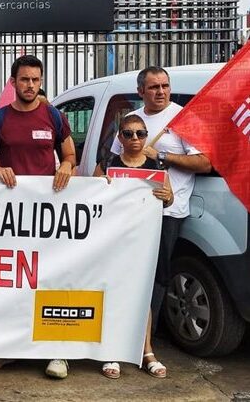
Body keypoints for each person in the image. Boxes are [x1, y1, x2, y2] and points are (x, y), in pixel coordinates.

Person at [108, 65, 212, 378]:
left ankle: (144, 344)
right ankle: (123, 343)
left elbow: (205, 162)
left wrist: (163, 157)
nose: (161, 91)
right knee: (124, 277)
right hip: (130, 217)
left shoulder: (183, 118)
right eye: (153, 87)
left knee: (156, 281)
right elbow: (114, 163)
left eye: (165, 85)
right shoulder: (132, 121)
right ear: (141, 91)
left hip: (168, 213)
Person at [0, 55, 76, 379]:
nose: (30, 85)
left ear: (41, 80)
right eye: (24, 80)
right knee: (12, 282)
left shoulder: (55, 116)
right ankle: (9, 352)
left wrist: (65, 165)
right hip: (10, 216)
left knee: (51, 279)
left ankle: (57, 352)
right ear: (13, 82)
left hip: (48, 216)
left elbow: (70, 153)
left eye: (35, 79)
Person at [95, 114, 174, 379]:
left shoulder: (157, 164)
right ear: (120, 138)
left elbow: (169, 199)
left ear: (146, 134)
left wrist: (167, 196)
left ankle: (146, 350)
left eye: (140, 133)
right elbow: (90, 200)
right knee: (114, 292)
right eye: (128, 134)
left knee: (143, 295)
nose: (135, 139)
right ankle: (113, 351)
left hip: (145, 240)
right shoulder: (108, 164)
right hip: (113, 241)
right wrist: (101, 188)